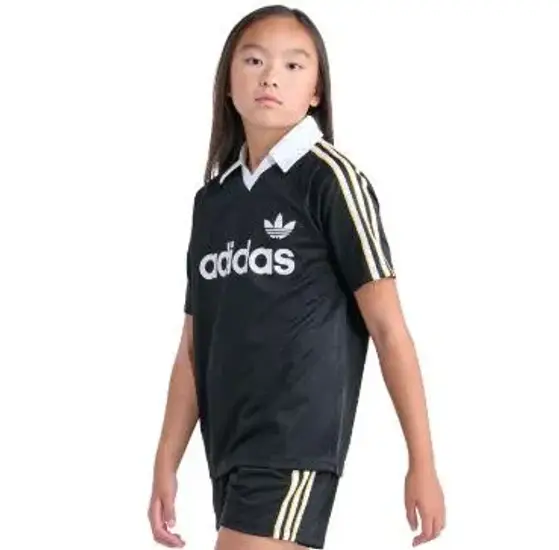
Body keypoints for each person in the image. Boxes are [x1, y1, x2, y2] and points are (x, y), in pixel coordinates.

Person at [148, 5, 446, 550]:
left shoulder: (331, 181)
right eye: (254, 61)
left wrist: (421, 462)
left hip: (294, 444)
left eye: (293, 65)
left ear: (315, 91)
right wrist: (166, 460)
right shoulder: (213, 202)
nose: (270, 77)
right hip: (228, 451)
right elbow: (194, 343)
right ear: (228, 83)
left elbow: (388, 329)